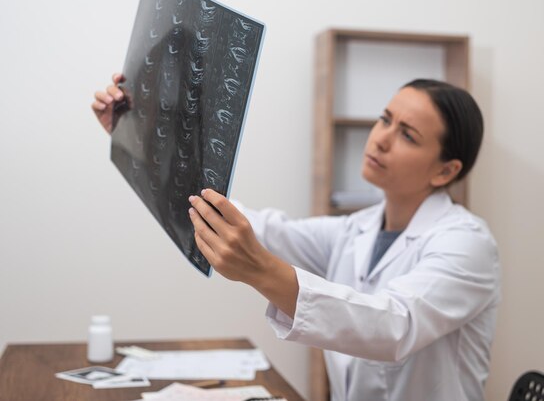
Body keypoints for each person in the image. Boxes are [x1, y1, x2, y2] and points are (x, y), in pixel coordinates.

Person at [93, 75, 500, 401]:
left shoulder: (467, 244)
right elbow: (261, 229)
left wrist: (262, 270)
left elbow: (395, 325)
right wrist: (144, 139)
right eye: (385, 118)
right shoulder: (354, 229)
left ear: (445, 171)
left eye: (408, 135)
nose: (380, 137)